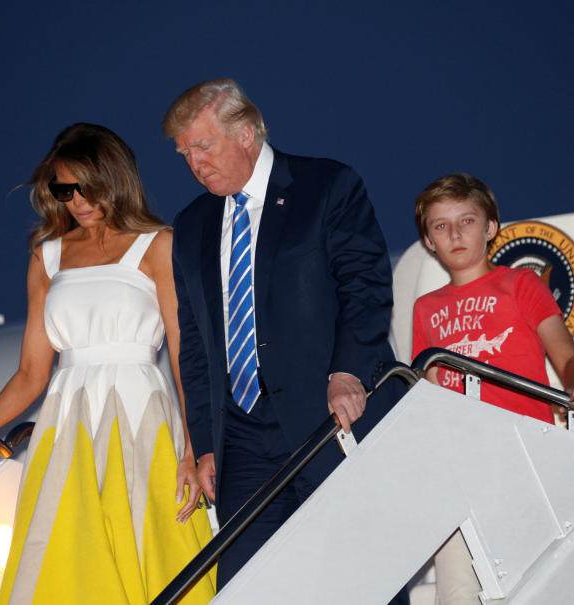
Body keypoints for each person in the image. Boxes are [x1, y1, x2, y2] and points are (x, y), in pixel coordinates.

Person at [0, 123, 215, 605]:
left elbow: (188, 357)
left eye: (88, 187)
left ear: (115, 181)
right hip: (67, 422)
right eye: (65, 188)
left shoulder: (157, 244)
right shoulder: (48, 256)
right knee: (65, 553)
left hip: (143, 414)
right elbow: (31, 373)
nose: (77, 200)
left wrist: (193, 446)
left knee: (159, 550)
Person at [163, 78, 405, 597]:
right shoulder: (191, 225)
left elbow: (366, 289)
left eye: (203, 146)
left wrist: (347, 371)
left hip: (331, 417)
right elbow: (196, 344)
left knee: (363, 580)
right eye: (185, 155)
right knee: (251, 587)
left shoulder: (327, 186)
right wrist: (205, 444)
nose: (195, 164)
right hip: (243, 442)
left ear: (246, 131)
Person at [410, 172, 574, 605]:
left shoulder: (521, 284)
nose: (455, 234)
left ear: (491, 227)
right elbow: (428, 390)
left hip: (523, 454)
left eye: (467, 221)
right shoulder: (426, 308)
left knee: (534, 580)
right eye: (441, 225)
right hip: (460, 467)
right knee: (456, 590)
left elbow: (568, 356)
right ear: (427, 241)